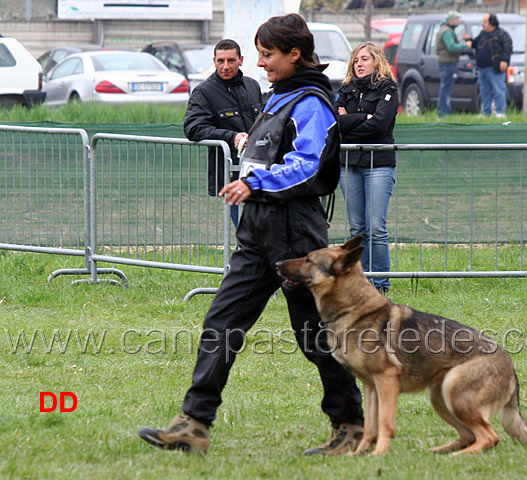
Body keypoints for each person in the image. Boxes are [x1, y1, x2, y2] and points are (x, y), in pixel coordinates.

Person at [139, 13, 364, 456]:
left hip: (296, 233)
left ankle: (351, 425)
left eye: (267, 54)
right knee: (221, 322)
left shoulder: (311, 102)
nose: (260, 63)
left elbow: (309, 165)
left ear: (294, 54)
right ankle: (193, 424)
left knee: (314, 335)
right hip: (257, 231)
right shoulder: (277, 96)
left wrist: (254, 183)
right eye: (258, 54)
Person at [334, 42, 399, 294]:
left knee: (376, 228)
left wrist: (350, 121)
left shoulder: (387, 87)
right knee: (357, 228)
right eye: (356, 60)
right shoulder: (346, 88)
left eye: (364, 59)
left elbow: (381, 123)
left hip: (379, 164)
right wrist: (364, 118)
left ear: (377, 62)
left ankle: (380, 284)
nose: (359, 64)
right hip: (348, 164)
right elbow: (336, 123)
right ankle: (359, 283)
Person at [183, 39, 262, 227]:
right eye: (220, 61)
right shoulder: (204, 92)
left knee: (264, 233)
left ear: (241, 60)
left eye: (231, 61)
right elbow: (193, 128)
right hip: (231, 173)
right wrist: (231, 137)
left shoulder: (252, 86)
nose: (225, 66)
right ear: (214, 61)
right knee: (249, 233)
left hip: (259, 171)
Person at [468, 14, 512, 118]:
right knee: (484, 91)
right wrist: (469, 40)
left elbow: (507, 48)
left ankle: (501, 112)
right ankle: (485, 112)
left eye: (485, 22)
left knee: (498, 90)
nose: (482, 24)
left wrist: (504, 60)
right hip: (482, 68)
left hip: (494, 68)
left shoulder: (501, 34)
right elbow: (476, 43)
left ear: (492, 23)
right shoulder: (483, 34)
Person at [435, 11, 472, 117]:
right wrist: (465, 45)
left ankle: (444, 110)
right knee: (446, 87)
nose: (458, 21)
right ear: (451, 20)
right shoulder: (447, 31)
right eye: (457, 19)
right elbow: (451, 47)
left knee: (446, 87)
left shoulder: (446, 30)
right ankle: (443, 112)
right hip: (447, 63)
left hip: (447, 62)